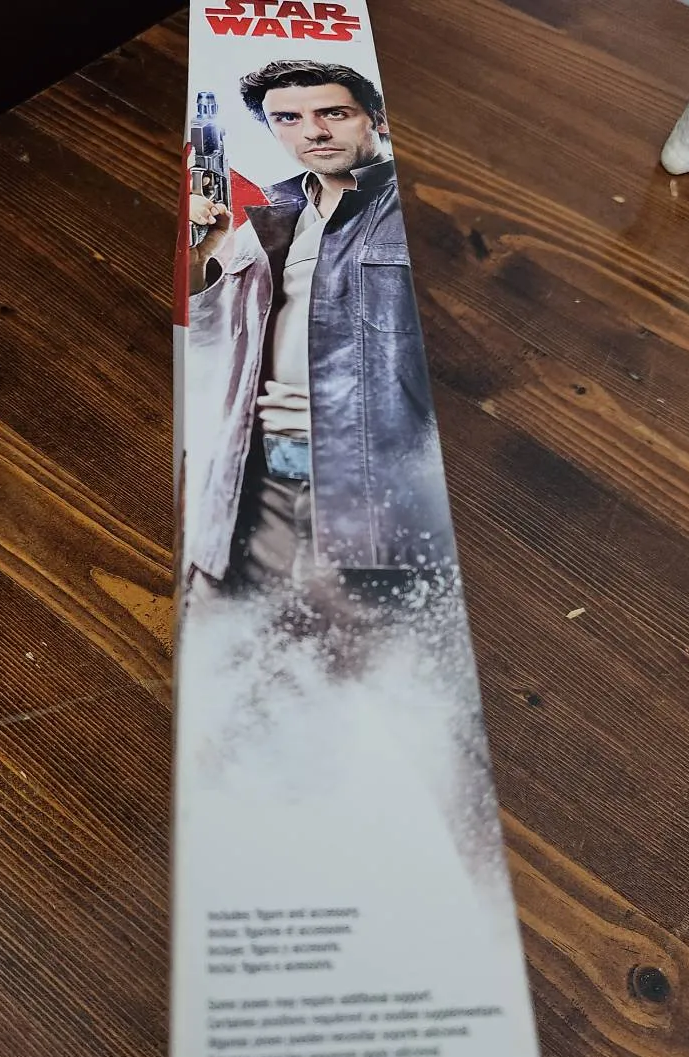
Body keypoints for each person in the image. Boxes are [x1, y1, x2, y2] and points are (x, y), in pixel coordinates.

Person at [185, 60, 456, 634]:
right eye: (288, 118)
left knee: (363, 666)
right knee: (225, 655)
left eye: (333, 112)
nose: (313, 131)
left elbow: (467, 365)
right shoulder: (271, 216)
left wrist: (352, 419)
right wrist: (200, 256)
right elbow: (213, 345)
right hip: (249, 493)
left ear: (376, 119)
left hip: (368, 501)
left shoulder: (421, 213)